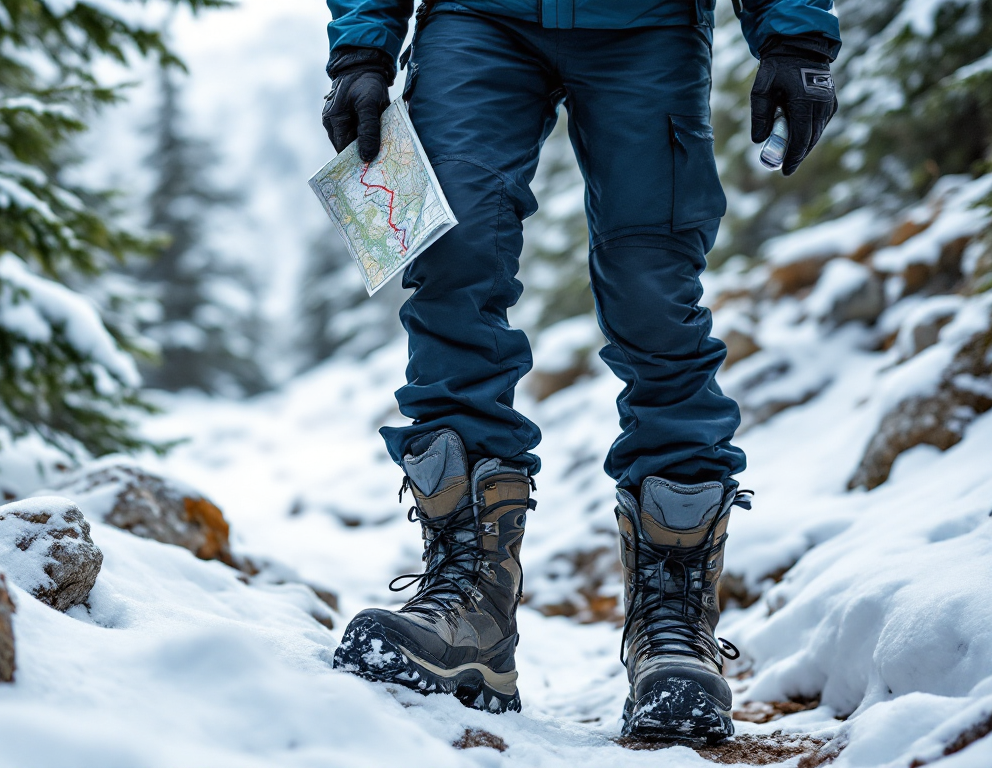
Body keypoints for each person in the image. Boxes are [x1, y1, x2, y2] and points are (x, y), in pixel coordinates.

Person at [322, 0, 839, 743]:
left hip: (649, 23)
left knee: (653, 291)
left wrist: (794, 34)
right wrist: (360, 54)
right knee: (451, 255)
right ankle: (470, 604)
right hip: (475, 18)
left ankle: (673, 626)